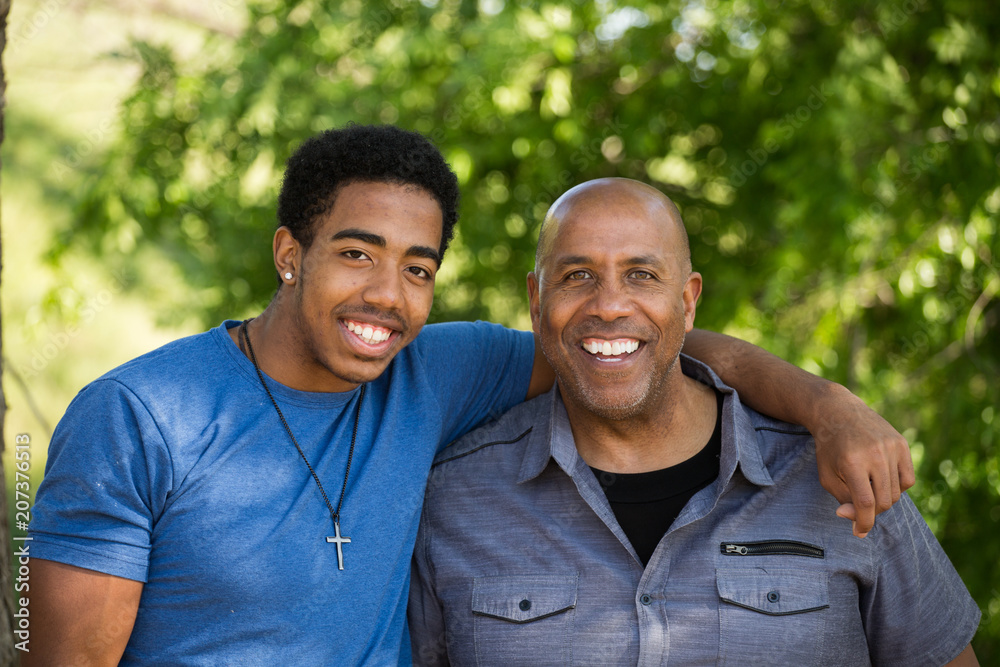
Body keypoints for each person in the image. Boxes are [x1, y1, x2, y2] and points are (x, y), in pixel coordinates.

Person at [29, 126, 910, 666]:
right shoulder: (143, 417)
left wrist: (830, 406)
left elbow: (638, 344)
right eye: (355, 253)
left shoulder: (437, 371)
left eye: (418, 268)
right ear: (289, 253)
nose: (386, 294)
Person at [408, 178, 980, 666]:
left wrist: (829, 403)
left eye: (642, 275)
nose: (609, 305)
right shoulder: (454, 498)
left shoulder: (838, 473)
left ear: (688, 300)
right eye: (577, 276)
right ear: (536, 301)